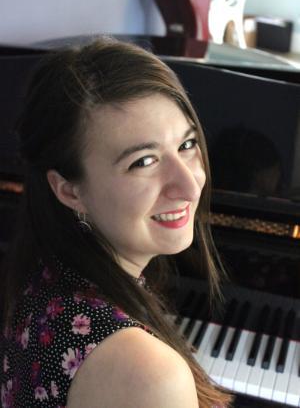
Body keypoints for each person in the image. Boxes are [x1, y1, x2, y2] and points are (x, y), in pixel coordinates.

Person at [0, 38, 232, 408]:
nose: (190, 185)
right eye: (143, 162)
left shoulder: (43, 274)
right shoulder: (148, 375)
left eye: (186, 145)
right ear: (69, 191)